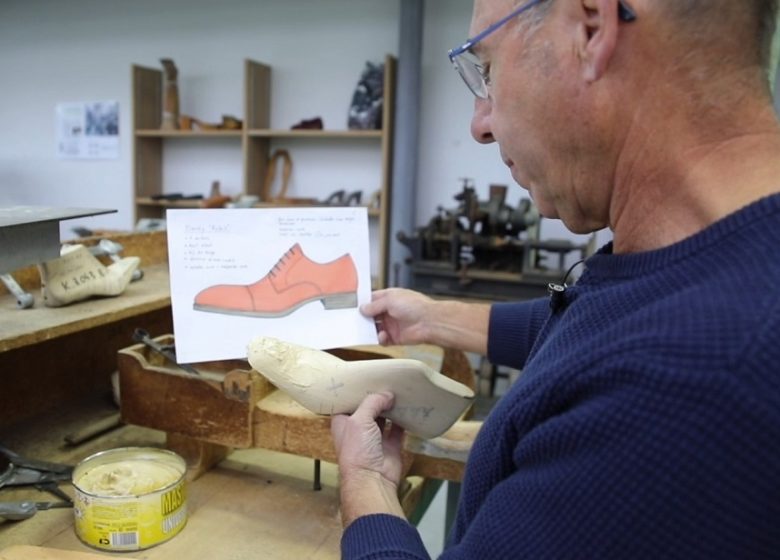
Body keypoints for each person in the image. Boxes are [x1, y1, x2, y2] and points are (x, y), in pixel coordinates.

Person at [330, 0, 780, 558]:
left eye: (486, 68)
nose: (480, 124)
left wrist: (367, 483)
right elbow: (598, 321)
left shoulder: (692, 381)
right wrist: (432, 317)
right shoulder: (716, 259)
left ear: (592, 28)